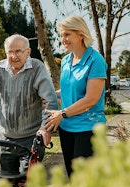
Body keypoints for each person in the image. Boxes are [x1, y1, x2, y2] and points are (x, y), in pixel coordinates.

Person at [0, 34, 58, 177]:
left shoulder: (37, 68)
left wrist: (44, 128)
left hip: (31, 139)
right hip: (5, 139)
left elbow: (50, 101)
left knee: (27, 186)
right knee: (6, 185)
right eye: (10, 52)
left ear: (28, 52)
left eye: (18, 51)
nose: (14, 56)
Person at [45, 16, 108, 178]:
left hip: (88, 129)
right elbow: (68, 90)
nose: (62, 39)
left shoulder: (95, 60)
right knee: (73, 178)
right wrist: (49, 95)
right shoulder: (66, 61)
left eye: (67, 35)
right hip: (66, 128)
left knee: (86, 182)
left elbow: (91, 99)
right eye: (61, 35)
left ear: (81, 34)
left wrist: (62, 113)